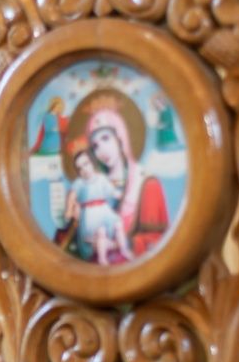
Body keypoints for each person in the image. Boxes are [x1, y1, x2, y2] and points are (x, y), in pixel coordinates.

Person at [65, 89, 171, 260]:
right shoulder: (92, 184)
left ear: (121, 137)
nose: (101, 151)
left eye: (106, 138)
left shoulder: (146, 184)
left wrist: (120, 244)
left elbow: (160, 240)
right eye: (95, 146)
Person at [64, 137, 133, 265]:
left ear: (92, 163)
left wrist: (121, 195)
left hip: (104, 211)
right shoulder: (79, 183)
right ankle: (102, 259)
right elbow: (72, 196)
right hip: (90, 215)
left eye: (86, 164)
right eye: (79, 168)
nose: (84, 169)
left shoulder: (101, 178)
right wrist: (69, 210)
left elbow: (111, 191)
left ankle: (124, 250)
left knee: (118, 224)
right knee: (100, 231)